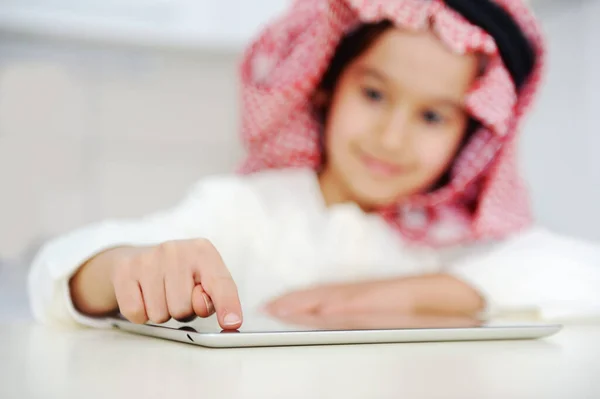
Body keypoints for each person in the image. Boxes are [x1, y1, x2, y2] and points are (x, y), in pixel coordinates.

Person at [28, 0, 600, 331]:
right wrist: (122, 268)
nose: (392, 136)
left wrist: (429, 291)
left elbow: (583, 273)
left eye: (432, 117)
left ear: (470, 137)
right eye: (374, 95)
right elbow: (59, 271)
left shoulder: (454, 240)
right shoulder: (250, 211)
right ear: (325, 89)